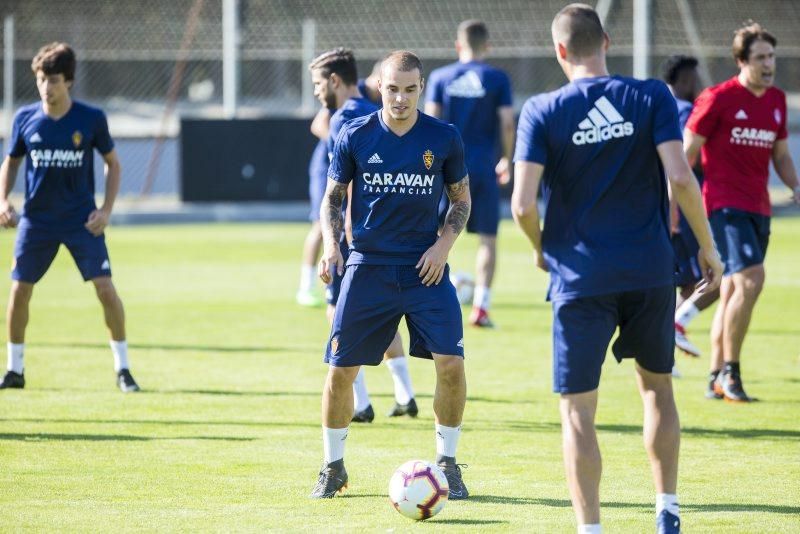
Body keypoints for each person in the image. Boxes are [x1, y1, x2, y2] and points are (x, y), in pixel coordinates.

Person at [511, 5, 722, 533]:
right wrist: (707, 247)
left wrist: (542, 248)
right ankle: (667, 510)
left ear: (559, 50)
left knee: (578, 411)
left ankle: (591, 529)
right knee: (657, 390)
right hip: (650, 271)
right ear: (606, 41)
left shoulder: (541, 109)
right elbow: (680, 177)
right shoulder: (650, 95)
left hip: (579, 279)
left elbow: (521, 204)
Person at [310, 50, 471, 500]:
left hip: (426, 268)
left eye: (410, 89)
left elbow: (461, 199)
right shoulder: (354, 133)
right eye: (392, 88)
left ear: (422, 89)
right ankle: (333, 466)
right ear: (378, 87)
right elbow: (333, 198)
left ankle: (448, 464)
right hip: (368, 268)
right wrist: (331, 244)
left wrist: (442, 246)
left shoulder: (444, 137)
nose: (400, 98)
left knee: (452, 365)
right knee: (341, 370)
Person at [0, 42, 140, 392]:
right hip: (37, 221)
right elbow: (11, 162)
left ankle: (123, 369)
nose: (47, 87)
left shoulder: (90, 119)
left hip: (81, 220)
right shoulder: (24, 119)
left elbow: (113, 164)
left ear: (70, 82)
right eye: (42, 79)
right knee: (19, 291)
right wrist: (2, 199)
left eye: (55, 80)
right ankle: (14, 369)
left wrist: (106, 210)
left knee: (106, 290)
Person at [684, 22, 800, 402]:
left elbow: (780, 155)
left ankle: (716, 375)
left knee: (734, 287)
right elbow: (686, 154)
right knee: (751, 279)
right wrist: (674, 200)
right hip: (722, 204)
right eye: (761, 58)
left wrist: (795, 185)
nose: (769, 65)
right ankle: (732, 372)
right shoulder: (717, 98)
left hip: (758, 207)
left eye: (772, 57)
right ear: (740, 60)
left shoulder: (777, 101)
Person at [309, 47, 419, 423]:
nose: (315, 92)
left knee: (338, 313)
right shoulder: (368, 114)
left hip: (352, 239)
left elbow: (355, 182)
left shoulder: (346, 120)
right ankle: (404, 392)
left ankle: (360, 400)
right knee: (383, 314)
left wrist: (341, 238)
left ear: (335, 81)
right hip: (371, 238)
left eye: (317, 84)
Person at [425, 20, 515, 328]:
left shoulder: (440, 77)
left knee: (433, 232)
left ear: (458, 45)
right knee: (488, 238)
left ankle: (427, 296)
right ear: (487, 46)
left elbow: (431, 121)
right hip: (482, 166)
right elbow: (506, 122)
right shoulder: (497, 78)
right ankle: (482, 307)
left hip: (447, 166)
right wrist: (507, 158)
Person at [660, 55, 720, 368]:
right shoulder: (685, 112)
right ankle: (672, 330)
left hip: (661, 206)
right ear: (685, 79)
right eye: (695, 79)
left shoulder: (652, 106)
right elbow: (680, 167)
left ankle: (664, 353)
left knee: (684, 283)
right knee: (716, 278)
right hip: (683, 210)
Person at [295, 109, 329, 308]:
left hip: (353, 169)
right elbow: (318, 124)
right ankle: (306, 287)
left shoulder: (382, 100)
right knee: (321, 225)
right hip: (326, 169)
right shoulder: (352, 91)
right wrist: (341, 143)